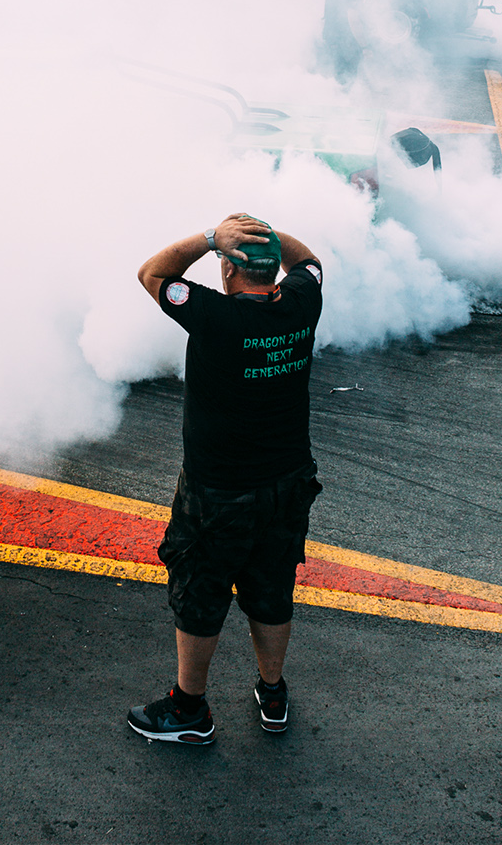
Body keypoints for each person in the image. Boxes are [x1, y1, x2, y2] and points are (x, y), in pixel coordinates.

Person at [127, 213, 326, 746]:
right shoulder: (304, 300)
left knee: (200, 591)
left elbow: (151, 273)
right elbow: (309, 262)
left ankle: (189, 708)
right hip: (287, 482)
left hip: (218, 491)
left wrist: (212, 238)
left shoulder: (214, 315)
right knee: (271, 585)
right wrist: (269, 240)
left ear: (228, 270)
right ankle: (273, 692)